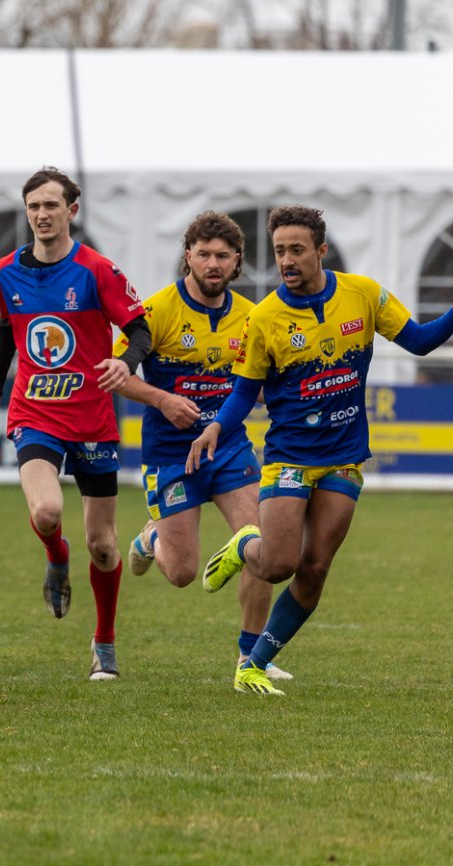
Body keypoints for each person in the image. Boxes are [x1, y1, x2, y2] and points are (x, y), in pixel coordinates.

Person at [190, 205, 453, 696]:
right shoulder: (264, 317)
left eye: (296, 249)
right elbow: (244, 392)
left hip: (344, 457)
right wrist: (215, 429)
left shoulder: (363, 294)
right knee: (279, 564)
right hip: (289, 456)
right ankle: (245, 545)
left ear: (321, 251)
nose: (286, 260)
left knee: (314, 570)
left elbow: (417, 342)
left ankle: (254, 666)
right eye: (279, 250)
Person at [0, 167, 149, 681]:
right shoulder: (6, 271)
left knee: (104, 544)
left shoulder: (98, 270)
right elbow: (9, 330)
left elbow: (140, 330)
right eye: (33, 206)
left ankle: (104, 641)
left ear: (71, 210)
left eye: (51, 205)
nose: (41, 214)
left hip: (92, 418)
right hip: (35, 413)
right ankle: (55, 553)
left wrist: (126, 363)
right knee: (47, 512)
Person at [114, 211, 291, 681]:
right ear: (188, 257)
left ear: (238, 261)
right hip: (170, 454)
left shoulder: (253, 316)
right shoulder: (155, 312)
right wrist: (163, 400)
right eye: (204, 254)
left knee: (261, 546)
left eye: (223, 256)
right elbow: (116, 375)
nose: (213, 264)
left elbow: (261, 381)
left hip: (228, 448)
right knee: (182, 573)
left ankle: (251, 656)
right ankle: (151, 537)